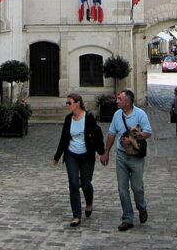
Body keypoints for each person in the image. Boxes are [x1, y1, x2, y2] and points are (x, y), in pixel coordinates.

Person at [100, 89, 152, 232]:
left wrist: (132, 138)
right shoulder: (117, 115)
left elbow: (148, 132)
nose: (116, 101)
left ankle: (142, 207)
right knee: (122, 189)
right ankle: (127, 218)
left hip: (136, 156)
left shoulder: (140, 114)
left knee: (137, 187)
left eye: (120, 99)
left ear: (127, 102)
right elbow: (111, 134)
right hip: (121, 156)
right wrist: (106, 152)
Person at [53, 93, 105, 227]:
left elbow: (97, 136)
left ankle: (89, 203)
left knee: (86, 184)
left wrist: (102, 153)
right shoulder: (68, 119)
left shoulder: (88, 117)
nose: (67, 105)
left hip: (86, 155)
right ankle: (76, 215)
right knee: (74, 184)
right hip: (71, 155)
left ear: (78, 103)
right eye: (67, 103)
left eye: (69, 103)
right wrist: (57, 157)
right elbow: (64, 138)